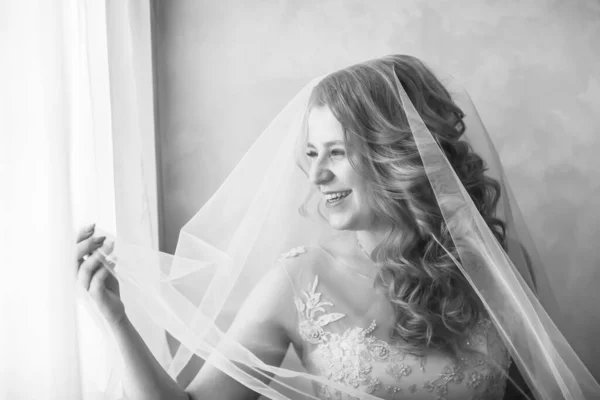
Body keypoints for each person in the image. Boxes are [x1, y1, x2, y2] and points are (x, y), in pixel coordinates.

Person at [76, 55, 598, 400]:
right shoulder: (299, 281)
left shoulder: (498, 271)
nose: (317, 173)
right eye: (311, 153)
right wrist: (116, 319)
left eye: (337, 152)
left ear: (396, 155)